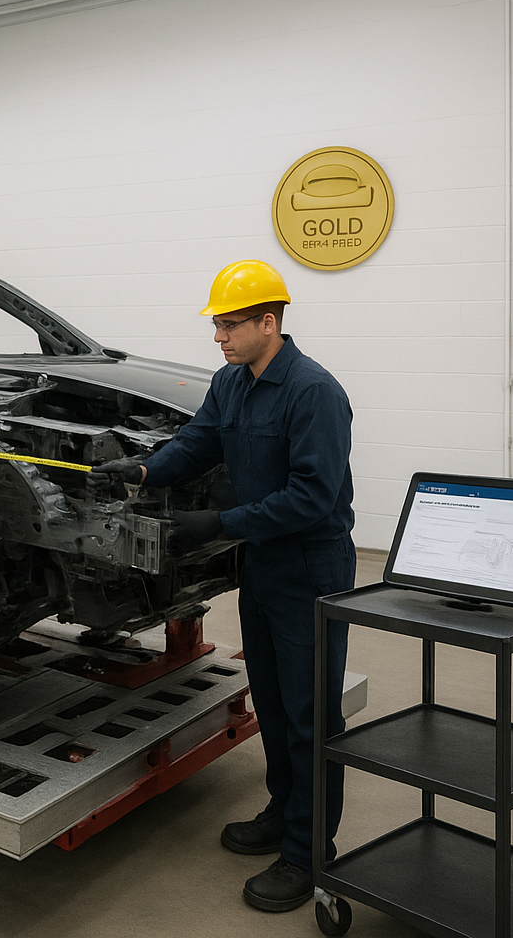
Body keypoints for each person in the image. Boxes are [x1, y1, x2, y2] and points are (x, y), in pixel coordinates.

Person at [95, 259, 354, 913]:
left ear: (269, 322)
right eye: (217, 325)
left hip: (311, 566)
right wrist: (142, 472)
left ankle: (309, 852)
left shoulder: (314, 392)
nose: (219, 337)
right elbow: (198, 444)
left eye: (230, 325)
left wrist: (218, 523)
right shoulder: (230, 384)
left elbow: (312, 498)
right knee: (271, 698)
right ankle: (282, 812)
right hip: (261, 562)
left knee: (310, 713)